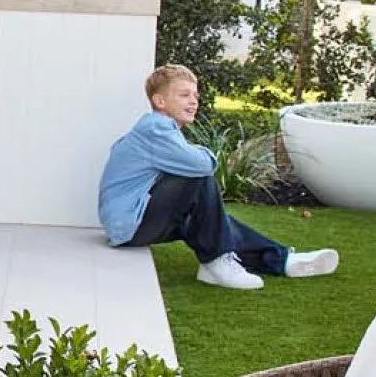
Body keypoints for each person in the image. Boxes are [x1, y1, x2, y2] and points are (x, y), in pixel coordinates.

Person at [96, 64, 338, 291]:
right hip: (130, 226)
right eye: (184, 95)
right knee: (197, 177)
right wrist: (204, 154)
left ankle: (282, 260)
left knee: (215, 223)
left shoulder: (164, 130)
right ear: (159, 101)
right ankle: (216, 262)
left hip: (134, 223)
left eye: (195, 96)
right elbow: (203, 165)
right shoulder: (155, 128)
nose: (193, 101)